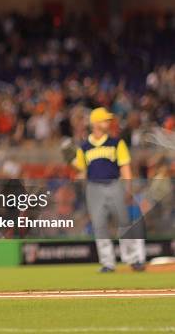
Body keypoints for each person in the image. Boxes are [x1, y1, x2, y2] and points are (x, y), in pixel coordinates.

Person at [73, 107, 145, 272]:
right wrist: (73, 166)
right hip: (94, 188)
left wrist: (128, 188)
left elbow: (125, 167)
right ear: (96, 123)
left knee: (124, 222)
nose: (108, 122)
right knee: (99, 225)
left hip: (114, 184)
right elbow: (82, 172)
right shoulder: (83, 147)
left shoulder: (115, 142)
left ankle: (133, 259)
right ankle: (107, 263)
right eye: (105, 120)